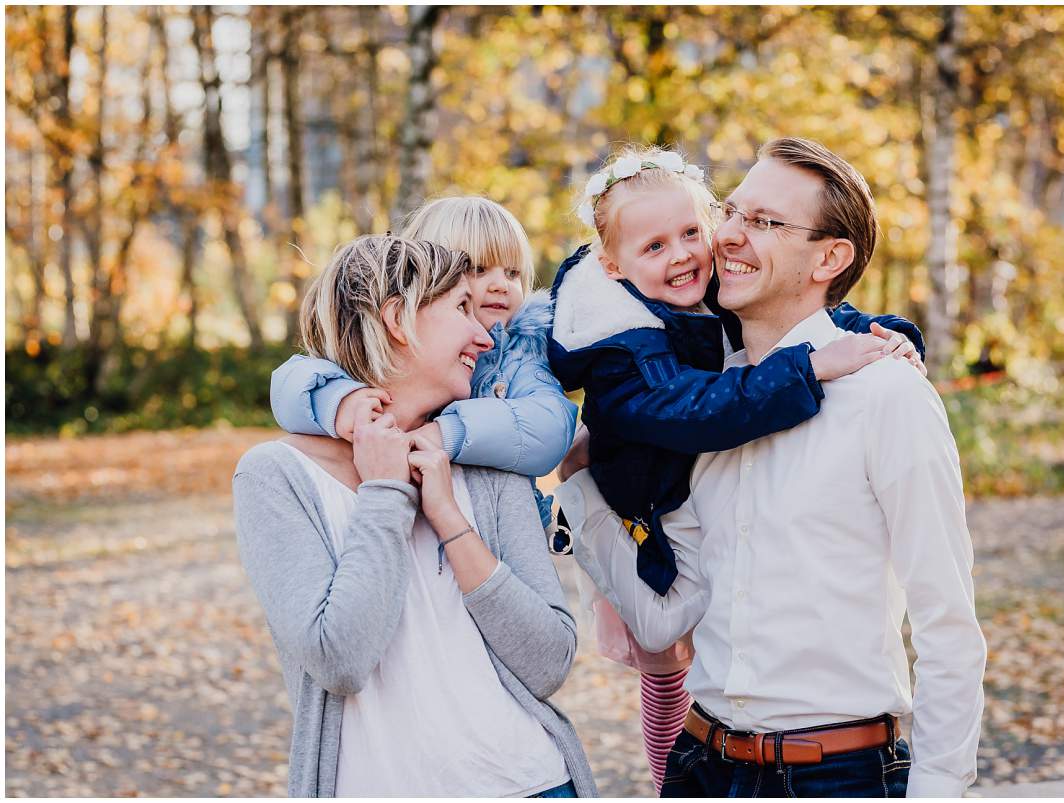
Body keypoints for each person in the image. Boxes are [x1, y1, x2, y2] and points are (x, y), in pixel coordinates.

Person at [556, 137, 987, 797]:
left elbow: (948, 622)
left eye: (763, 222)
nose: (726, 235)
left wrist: (938, 789)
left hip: (836, 775)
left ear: (829, 258)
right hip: (701, 764)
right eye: (730, 211)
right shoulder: (692, 395)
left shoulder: (887, 394)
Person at [233, 236, 596, 797]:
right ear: (398, 318)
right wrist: (384, 491)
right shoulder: (275, 476)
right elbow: (341, 658)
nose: (485, 334)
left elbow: (549, 661)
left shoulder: (484, 455)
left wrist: (450, 519)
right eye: (460, 310)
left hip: (530, 784)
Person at [270, 196, 577, 532]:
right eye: (479, 269)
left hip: (494, 524)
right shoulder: (391, 348)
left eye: (513, 272)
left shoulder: (519, 354)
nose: (501, 284)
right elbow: (291, 381)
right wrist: (339, 401)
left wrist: (446, 432)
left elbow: (550, 426)